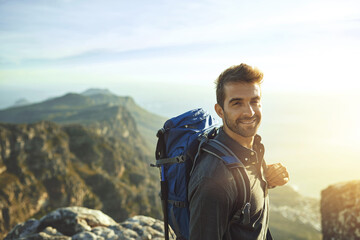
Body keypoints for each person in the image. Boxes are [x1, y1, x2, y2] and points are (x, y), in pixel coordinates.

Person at [188, 63, 289, 240]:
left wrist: (267, 179)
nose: (249, 112)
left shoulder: (249, 151)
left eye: (254, 101)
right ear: (220, 111)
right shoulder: (213, 180)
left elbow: (242, 203)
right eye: (237, 103)